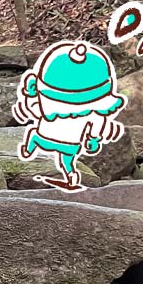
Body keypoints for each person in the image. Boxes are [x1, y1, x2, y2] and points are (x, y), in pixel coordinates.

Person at [13, 41, 127, 191]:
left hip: (46, 136)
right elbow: (97, 127)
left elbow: (31, 110)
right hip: (72, 144)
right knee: (66, 161)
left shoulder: (47, 105)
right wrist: (93, 140)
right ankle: (70, 175)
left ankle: (28, 150)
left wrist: (30, 96)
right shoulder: (97, 111)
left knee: (34, 137)